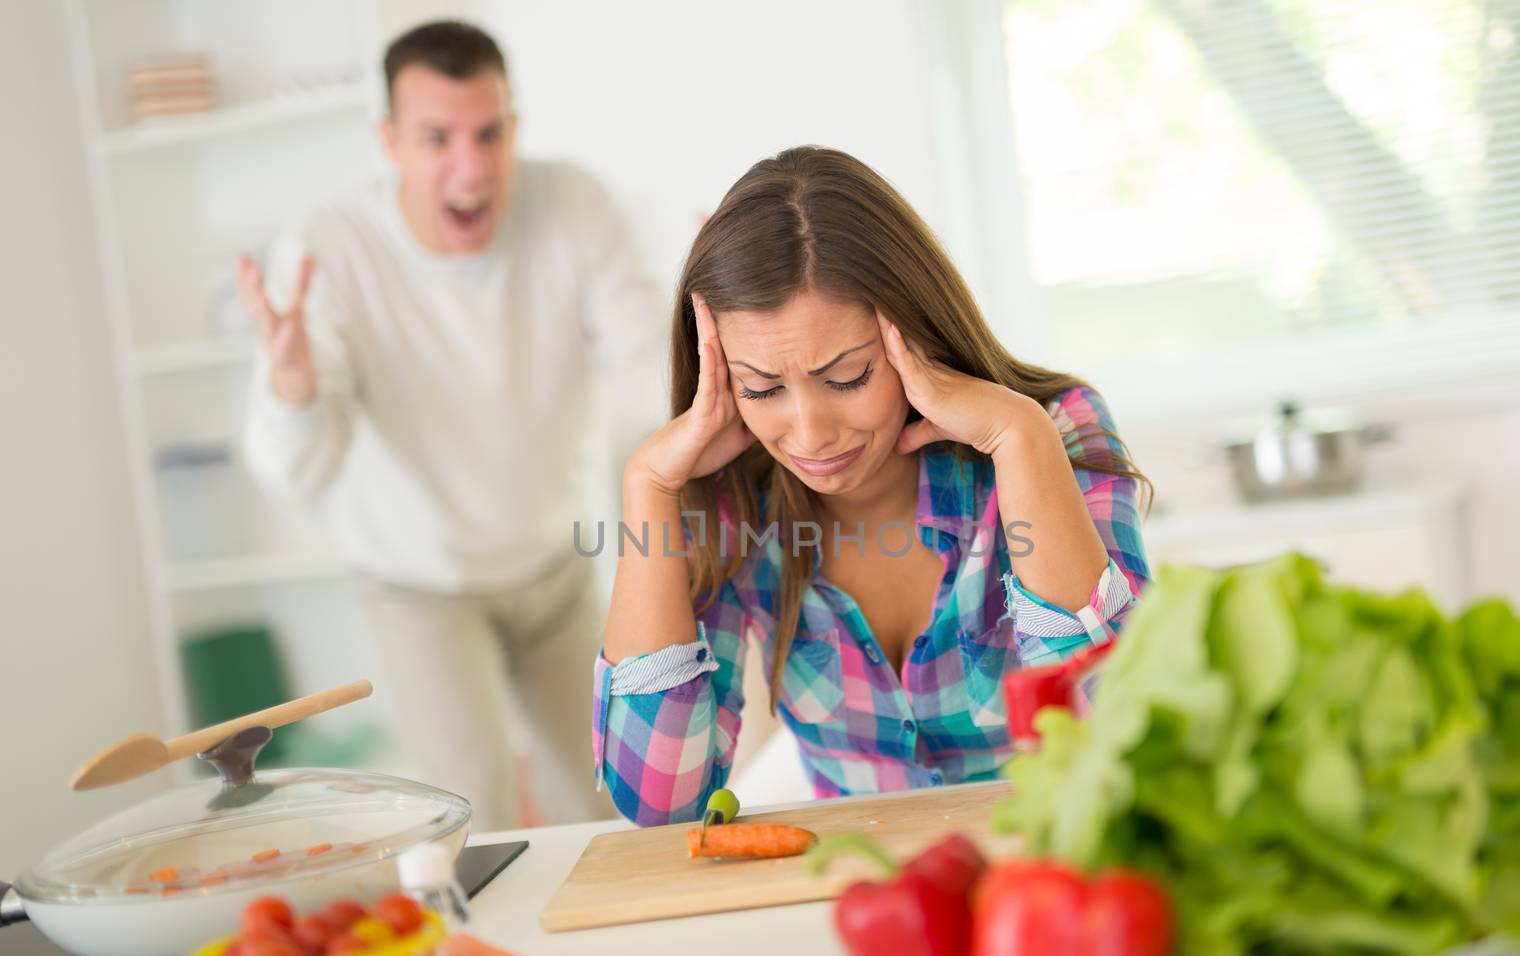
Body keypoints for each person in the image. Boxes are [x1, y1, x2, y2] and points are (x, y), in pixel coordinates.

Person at [593, 146, 1150, 827]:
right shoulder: (730, 495)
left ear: (913, 333)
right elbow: (660, 802)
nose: (810, 432)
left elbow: (1126, 735)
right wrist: (648, 486)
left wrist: (1018, 437)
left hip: (1057, 875)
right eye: (762, 388)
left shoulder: (1053, 430)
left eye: (847, 377)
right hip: (865, 897)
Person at [238, 20, 662, 829]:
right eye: (437, 138)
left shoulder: (574, 204)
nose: (470, 167)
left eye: (488, 132)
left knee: (614, 796)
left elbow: (648, 376)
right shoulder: (332, 246)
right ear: (389, 142)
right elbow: (300, 472)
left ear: (514, 127)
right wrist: (291, 390)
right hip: (416, 581)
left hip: (552, 565)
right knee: (471, 815)